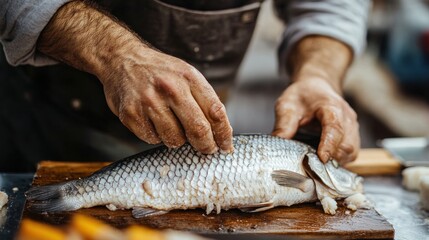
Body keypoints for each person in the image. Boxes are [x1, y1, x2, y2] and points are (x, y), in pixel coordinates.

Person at [0, 0, 369, 172]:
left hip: (193, 152)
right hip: (47, 120)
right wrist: (117, 55)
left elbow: (329, 7)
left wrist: (318, 74)